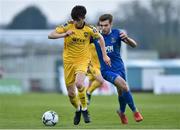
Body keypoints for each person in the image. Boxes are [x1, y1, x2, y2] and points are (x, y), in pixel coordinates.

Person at [48, 5, 111, 125]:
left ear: (83, 18)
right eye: (74, 19)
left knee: (79, 83)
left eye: (77, 19)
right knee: (71, 94)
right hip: (68, 62)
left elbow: (101, 38)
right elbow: (50, 35)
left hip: (82, 61)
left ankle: (85, 109)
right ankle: (78, 109)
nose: (75, 22)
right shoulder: (68, 25)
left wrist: (104, 55)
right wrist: (64, 34)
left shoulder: (89, 29)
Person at [92, 14, 143, 124]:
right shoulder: (96, 36)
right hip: (106, 71)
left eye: (106, 25)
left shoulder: (117, 33)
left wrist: (127, 39)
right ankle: (135, 111)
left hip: (120, 68)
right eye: (101, 25)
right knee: (124, 85)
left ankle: (121, 112)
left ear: (111, 24)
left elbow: (134, 45)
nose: (103, 28)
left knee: (121, 91)